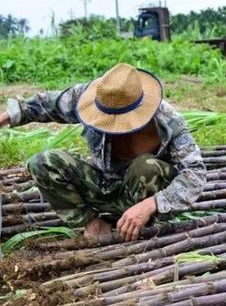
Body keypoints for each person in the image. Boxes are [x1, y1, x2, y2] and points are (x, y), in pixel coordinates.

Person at [0, 63, 207, 241]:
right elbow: (48, 104)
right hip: (103, 185)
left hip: (144, 195)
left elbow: (195, 174)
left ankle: (133, 226)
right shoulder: (93, 97)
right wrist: (7, 116)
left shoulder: (168, 121)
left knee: (147, 166)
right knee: (43, 161)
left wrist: (152, 204)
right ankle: (94, 223)